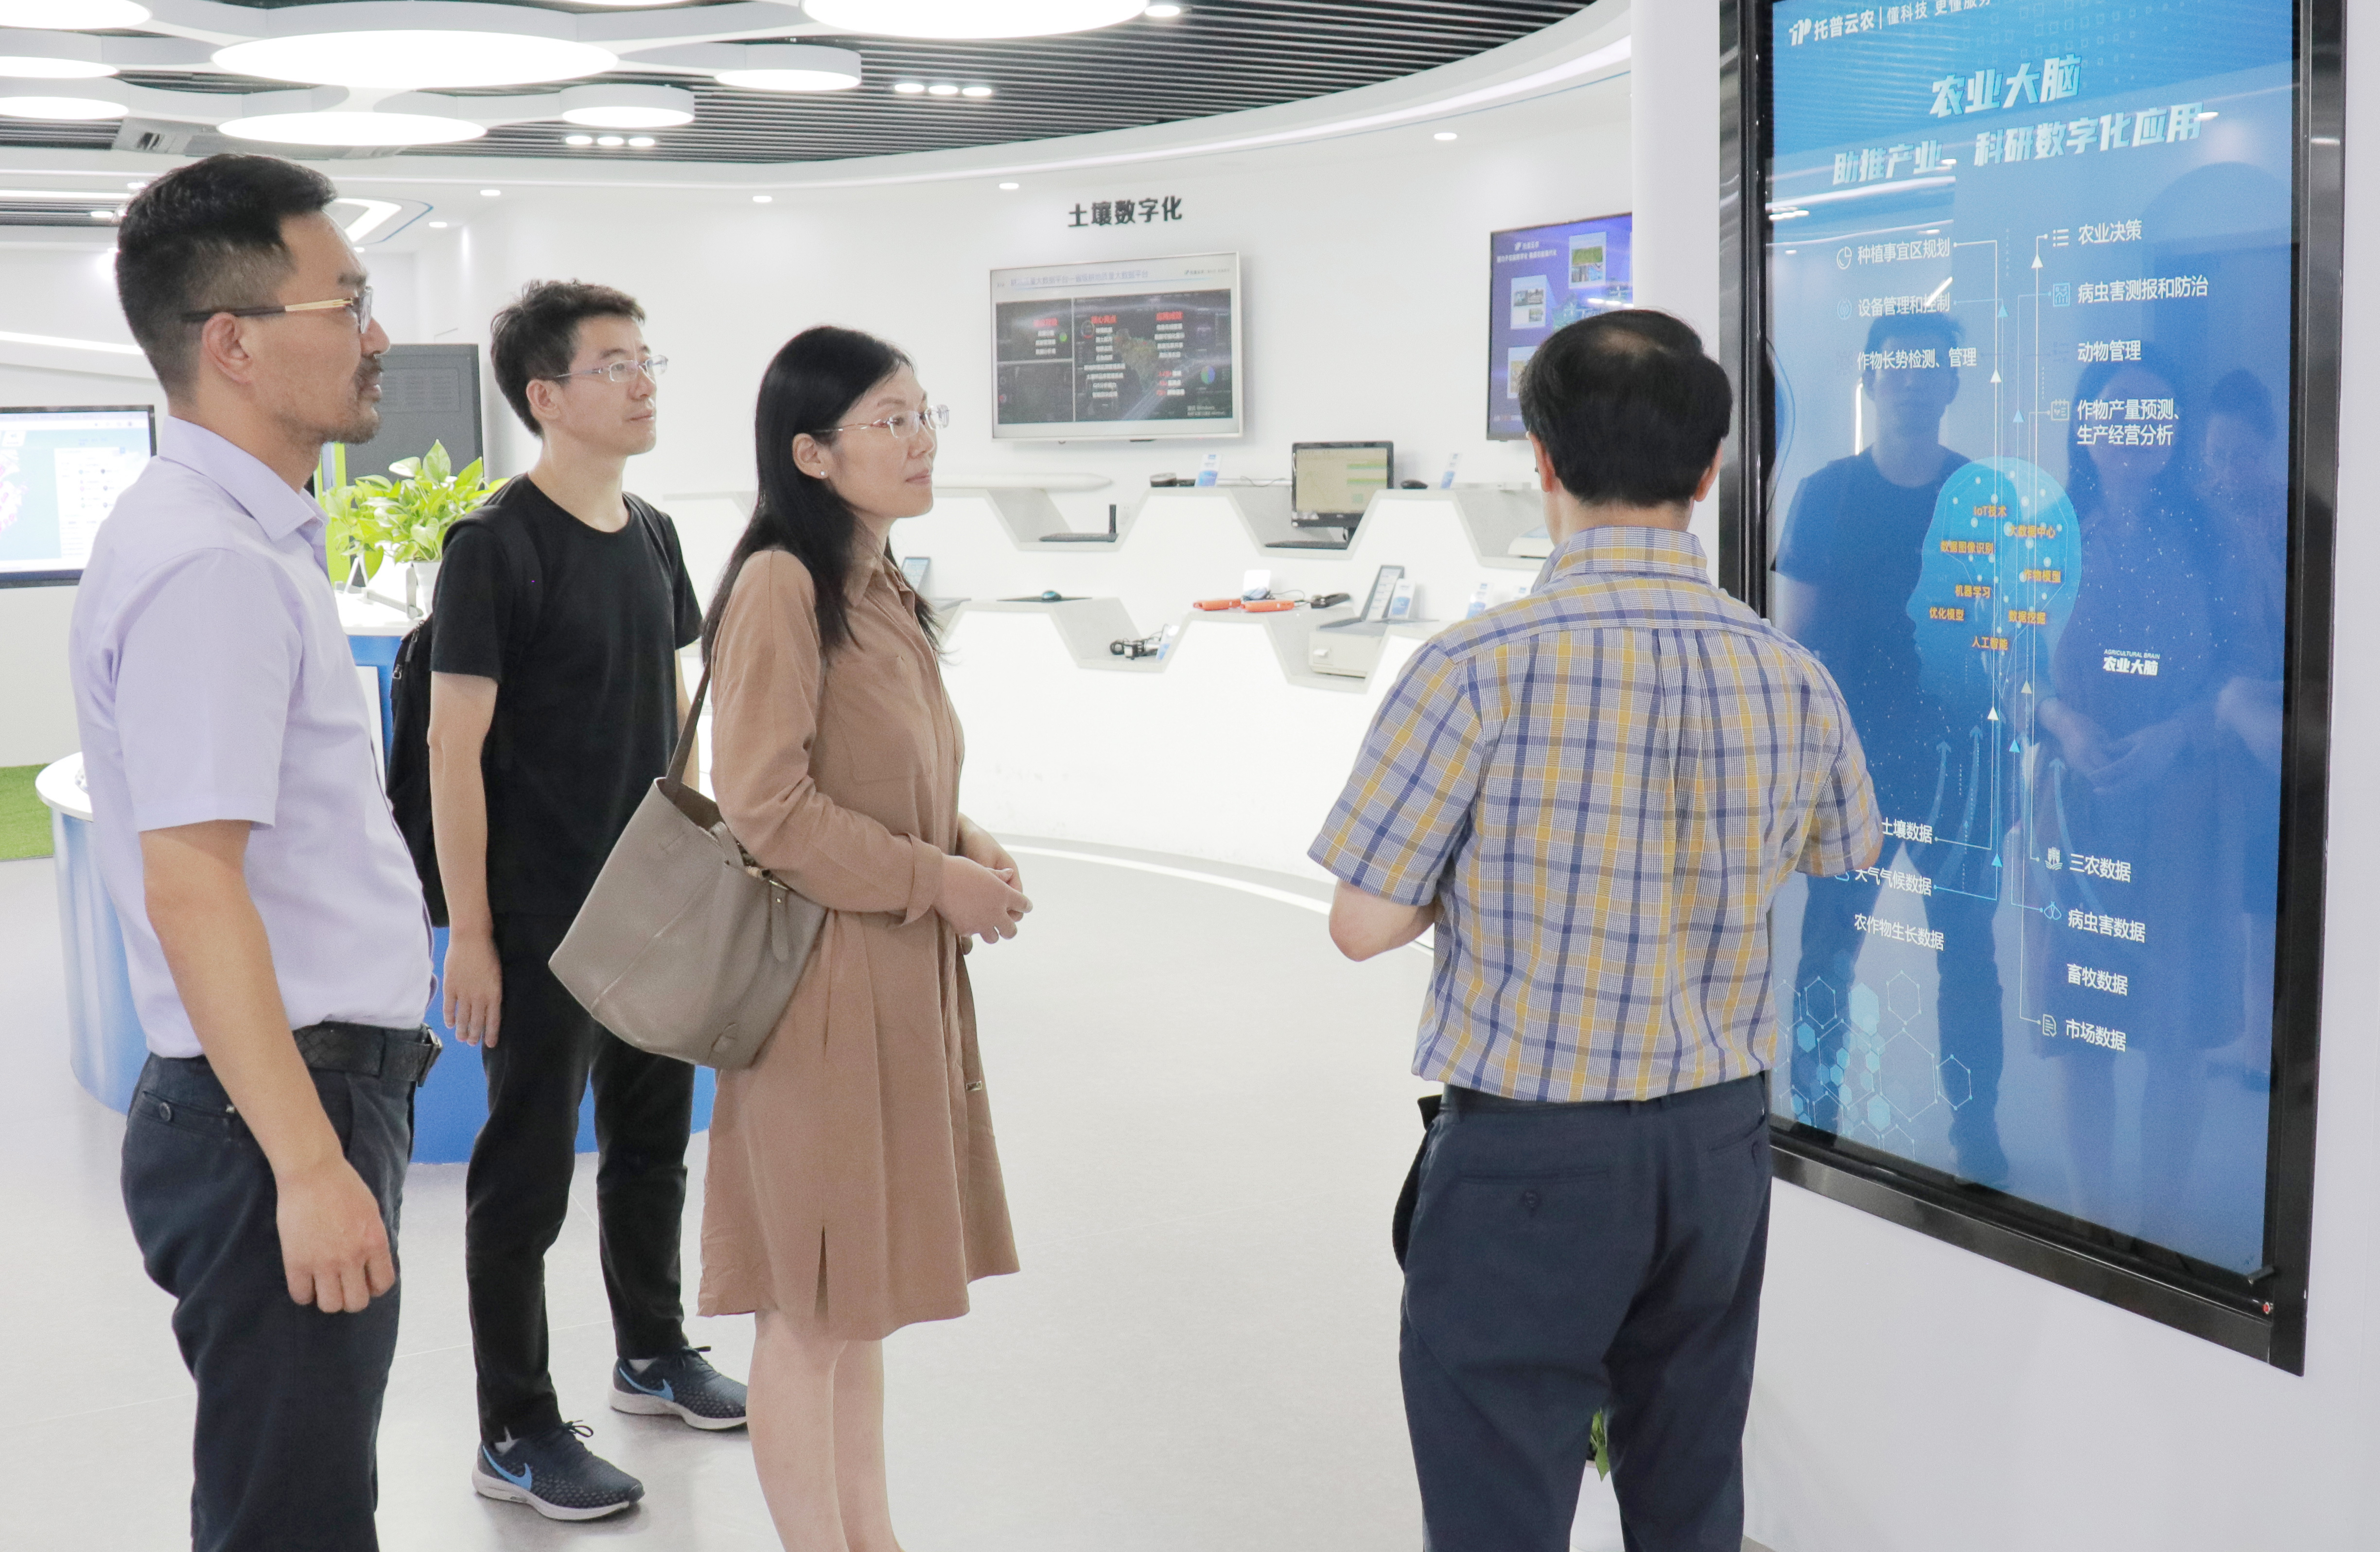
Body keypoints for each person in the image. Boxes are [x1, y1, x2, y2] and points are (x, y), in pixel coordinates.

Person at [1313, 309, 1879, 1552]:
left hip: (1530, 1153)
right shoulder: (1790, 671)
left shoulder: (1473, 667)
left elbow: (1363, 923)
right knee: (1691, 1487)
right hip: (1717, 1143)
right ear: (1712, 469)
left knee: (1500, 1500)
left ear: (1543, 460)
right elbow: (1844, 853)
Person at [70, 152, 438, 1551]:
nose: (376, 334)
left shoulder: (240, 534)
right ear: (231, 342)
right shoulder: (212, 563)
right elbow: (193, 882)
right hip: (270, 1113)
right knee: (294, 1521)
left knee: (293, 1502)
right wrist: (308, 1165)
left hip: (283, 1101)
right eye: (346, 301)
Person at [697, 325, 1029, 1551]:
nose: (921, 438)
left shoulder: (878, 585)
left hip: (890, 979)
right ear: (811, 453)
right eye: (892, 420)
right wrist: (934, 879)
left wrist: (965, 839)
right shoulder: (783, 586)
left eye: (923, 413)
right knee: (811, 1305)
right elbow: (765, 804)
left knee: (860, 1298)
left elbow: (881, 770)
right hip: (822, 993)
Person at [427, 281, 745, 1521]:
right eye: (614, 364)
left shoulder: (653, 534)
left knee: (652, 1143)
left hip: (648, 905)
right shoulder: (494, 547)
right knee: (524, 1180)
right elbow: (454, 751)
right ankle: (513, 1428)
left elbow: (671, 708)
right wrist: (472, 933)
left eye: (646, 358)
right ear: (546, 397)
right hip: (538, 920)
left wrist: (696, 852)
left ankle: (651, 1353)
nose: (643, 380)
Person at [1771, 311, 2010, 1183]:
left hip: (1961, 766)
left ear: (1954, 381)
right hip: (1853, 765)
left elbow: (2012, 632)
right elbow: (1795, 643)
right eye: (1896, 364)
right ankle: (1816, 1117)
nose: (1911, 378)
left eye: (1929, 365)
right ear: (1870, 379)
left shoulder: (1984, 495)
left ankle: (1976, 1134)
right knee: (1830, 948)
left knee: (1969, 956)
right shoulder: (1827, 493)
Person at [2030, 349, 2248, 1254]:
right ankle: (2091, 1222)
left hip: (2186, 809)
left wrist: (2176, 734)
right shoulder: (2048, 534)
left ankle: (2159, 1233)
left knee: (2175, 1030)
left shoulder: (2215, 537)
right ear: (2085, 428)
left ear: (2176, 433)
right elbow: (2008, 664)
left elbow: (2248, 672)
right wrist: (2062, 720)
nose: (2133, 432)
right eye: (2115, 414)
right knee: (2081, 1026)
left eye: (2153, 416)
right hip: (2077, 802)